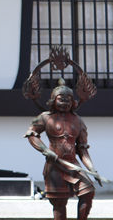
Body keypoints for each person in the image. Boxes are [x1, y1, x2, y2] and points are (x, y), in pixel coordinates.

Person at [25, 80, 103, 220]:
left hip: (73, 164)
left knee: (88, 192)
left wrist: (92, 169)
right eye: (61, 99)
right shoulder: (45, 118)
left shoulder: (78, 120)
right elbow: (32, 134)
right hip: (55, 165)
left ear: (73, 102)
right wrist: (45, 150)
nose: (65, 103)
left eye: (68, 100)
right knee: (60, 203)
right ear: (53, 101)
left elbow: (82, 149)